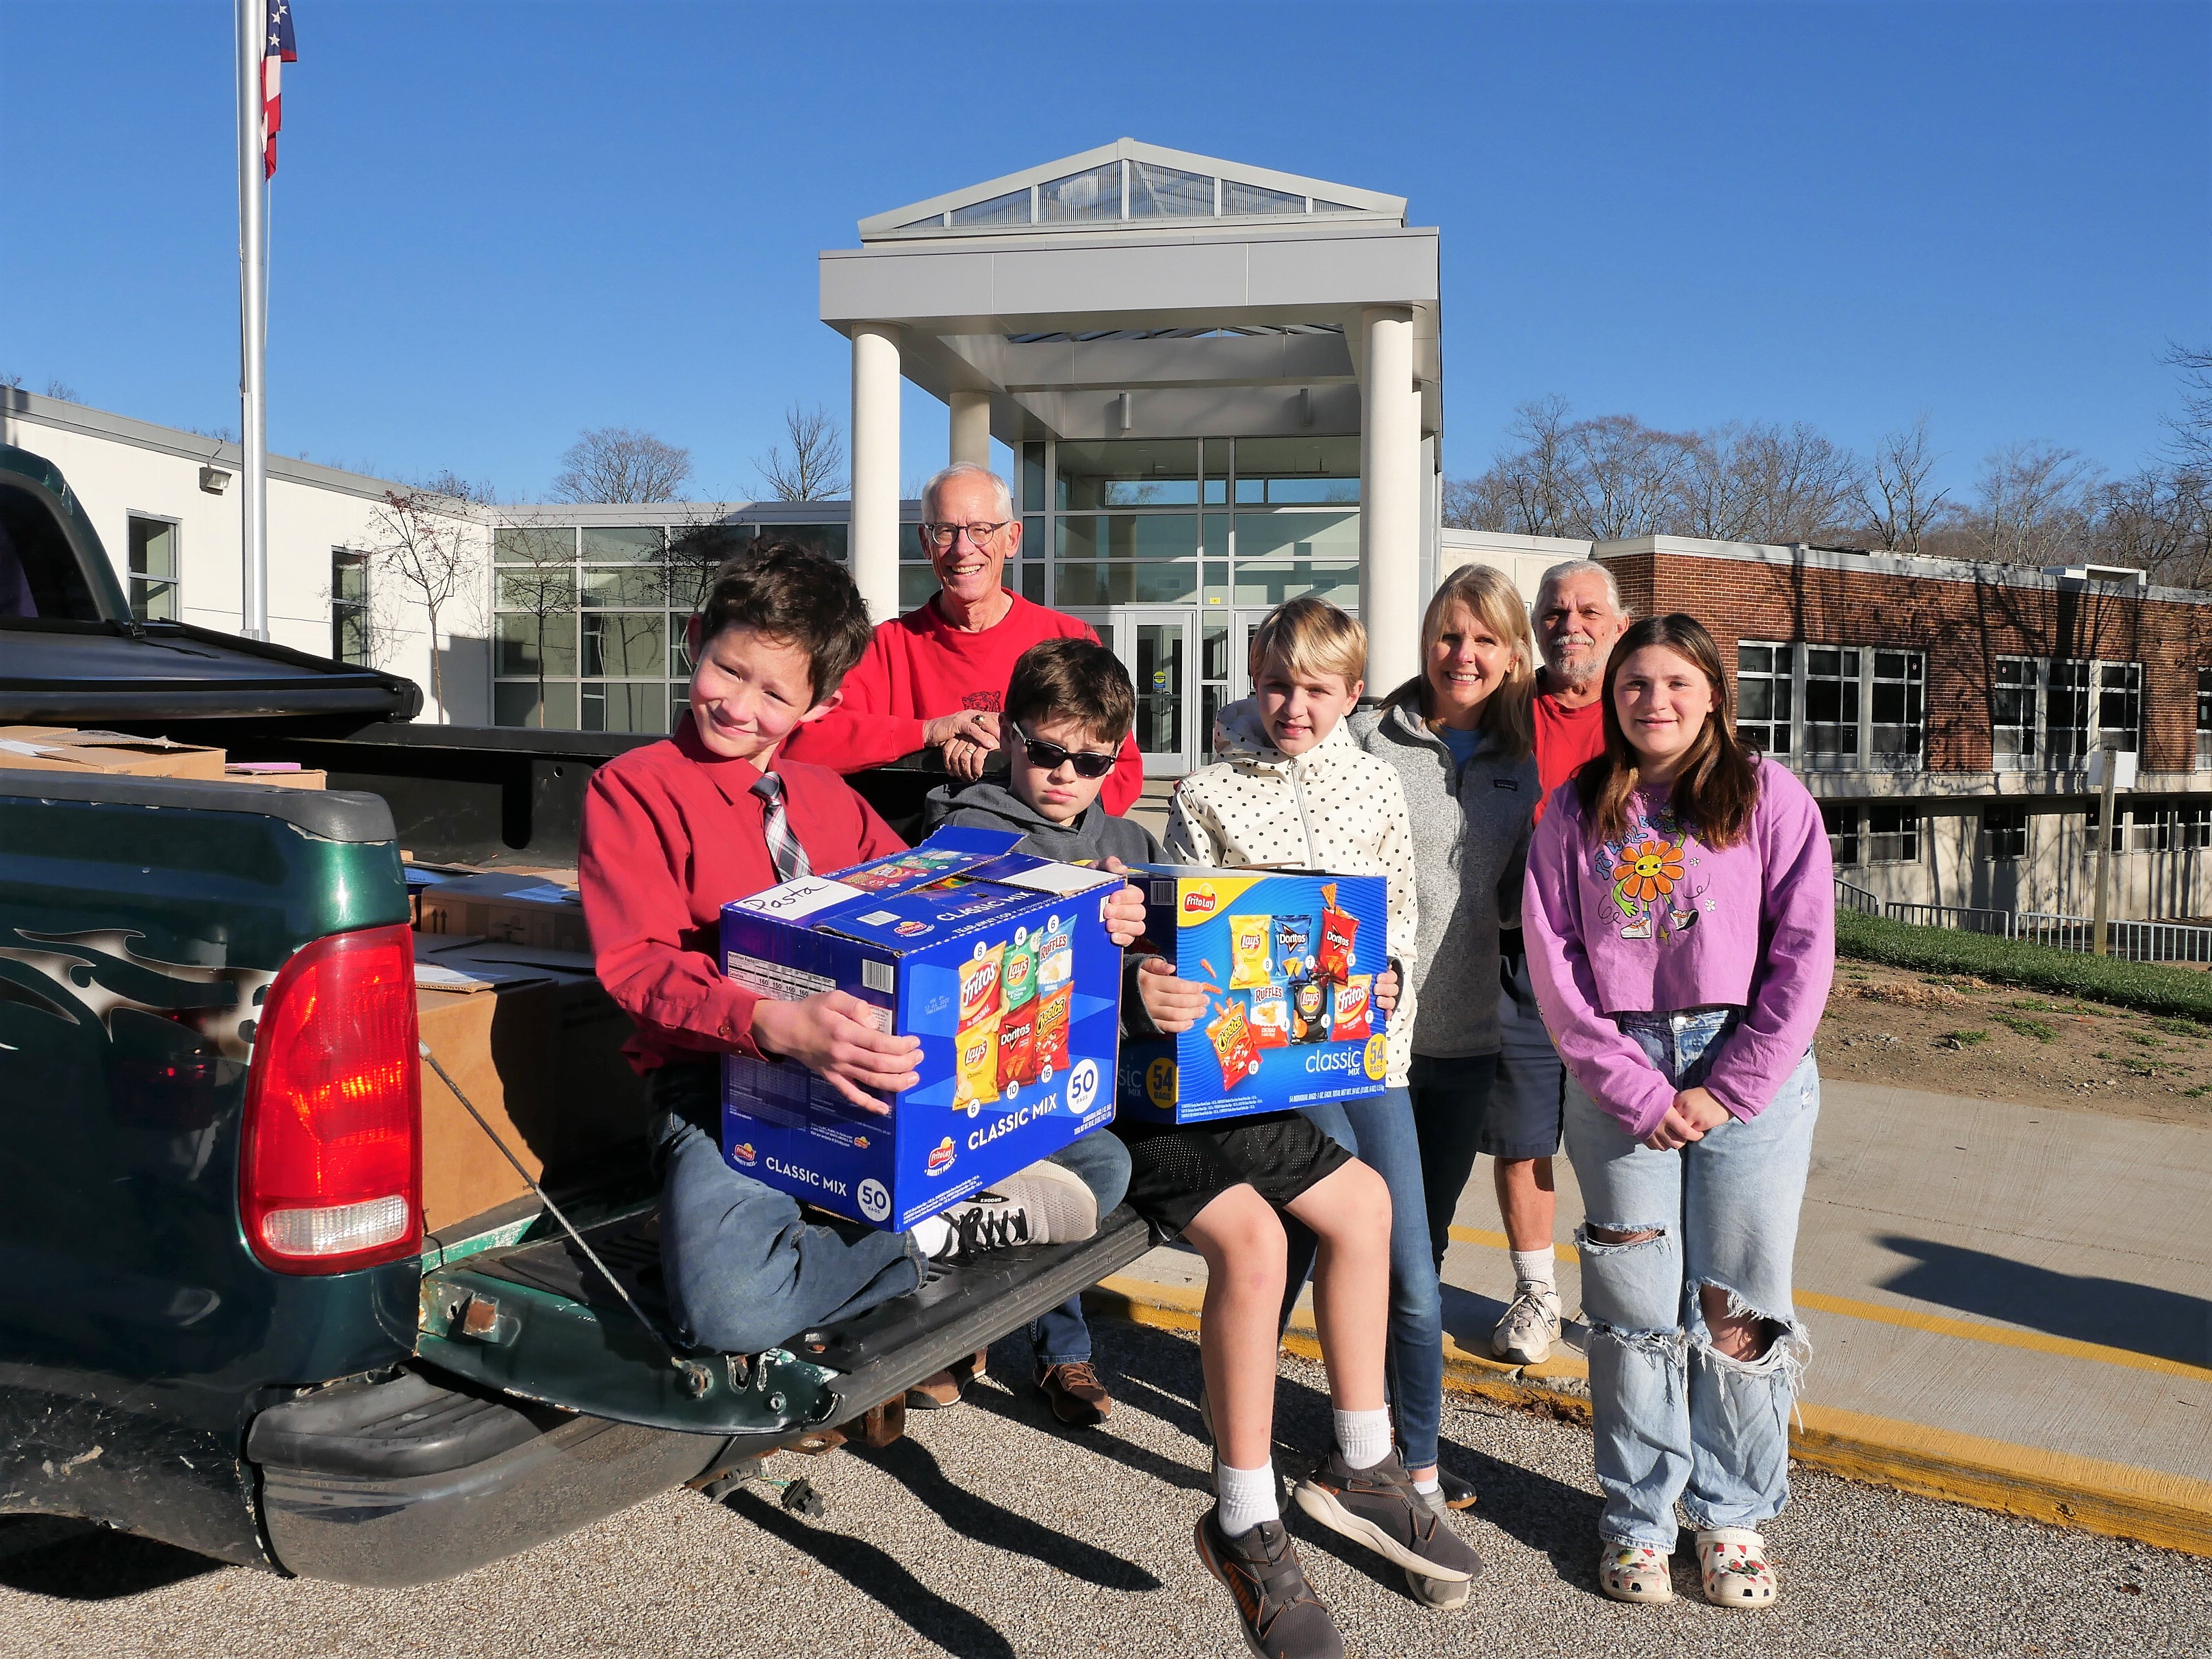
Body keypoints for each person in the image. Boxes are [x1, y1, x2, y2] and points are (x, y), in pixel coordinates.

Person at [578, 543, 1147, 1363]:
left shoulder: (827, 798)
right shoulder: (631, 788)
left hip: (869, 1066)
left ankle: (922, 1215)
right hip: (724, 1082)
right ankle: (927, 1237)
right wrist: (774, 1024)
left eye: (775, 692)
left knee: (1098, 1165)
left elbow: (946, 890)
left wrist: (1083, 899)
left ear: (819, 705)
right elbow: (637, 965)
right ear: (697, 640)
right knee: (732, 1310)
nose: (740, 705)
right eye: (728, 670)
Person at [1167, 597, 1481, 1615]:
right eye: (1276, 684)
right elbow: (1190, 924)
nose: (1293, 706)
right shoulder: (1210, 790)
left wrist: (1388, 974)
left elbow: (1397, 906)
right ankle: (1313, 1466)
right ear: (1254, 681)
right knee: (1321, 1233)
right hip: (1268, 1070)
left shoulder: (1378, 784)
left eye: (1316, 690)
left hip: (1366, 1054)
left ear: (1354, 695)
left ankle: (1409, 1482)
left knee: (1414, 1279)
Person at [1522, 613, 1833, 1609]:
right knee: (1632, 1307)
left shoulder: (1769, 797)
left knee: (1733, 1299)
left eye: (1675, 684)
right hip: (1620, 1075)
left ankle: (1734, 1517)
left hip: (1749, 1068)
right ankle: (1639, 1522)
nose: (1654, 701)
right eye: (1635, 685)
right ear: (1612, 700)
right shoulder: (1578, 810)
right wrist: (1637, 1087)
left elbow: (1803, 954)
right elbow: (1557, 965)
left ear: (1712, 695)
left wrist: (1726, 1087)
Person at [922, 638, 1173, 1427]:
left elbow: (1170, 964)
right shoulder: (962, 833)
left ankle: (1010, 1334)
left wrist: (1147, 964)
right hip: (996, 1080)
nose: (1067, 775)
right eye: (1047, 752)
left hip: (1103, 1069)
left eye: (1091, 761)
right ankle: (995, 1337)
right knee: (1084, 1169)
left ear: (1114, 760)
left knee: (1093, 1166)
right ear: (1008, 736)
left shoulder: (1130, 847)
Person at [1347, 564, 1539, 1422]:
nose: (1462, 654)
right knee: (1339, 1235)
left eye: (1484, 639)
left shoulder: (1525, 756)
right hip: (1362, 1035)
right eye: (1448, 634)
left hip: (1463, 1039)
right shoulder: (1365, 737)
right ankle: (1276, 1408)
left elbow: (1517, 898)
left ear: (1511, 653)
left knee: (1421, 1242)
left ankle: (1384, 1428)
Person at [780, 461, 1146, 814]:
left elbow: (1121, 773)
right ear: (926, 543)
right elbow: (802, 744)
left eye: (981, 529)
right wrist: (929, 733)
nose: (962, 548)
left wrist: (1013, 749)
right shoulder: (883, 647)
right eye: (945, 531)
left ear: (1012, 538)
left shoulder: (1068, 637)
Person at [1487, 558, 1632, 1365]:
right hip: (1519, 957)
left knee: (1622, 1136)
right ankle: (1537, 1293)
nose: (1568, 624)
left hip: (1626, 968)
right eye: (1553, 610)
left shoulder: (1641, 711)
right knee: (1522, 1137)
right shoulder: (1506, 711)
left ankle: (1621, 1299)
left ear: (1615, 624)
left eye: (1586, 610)